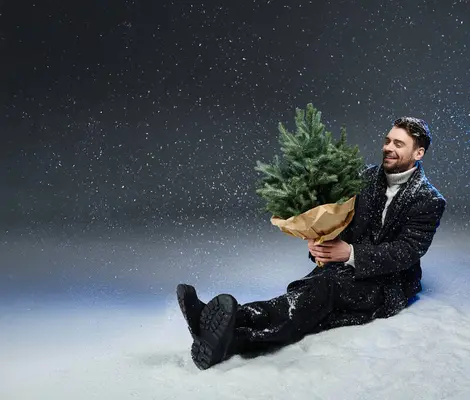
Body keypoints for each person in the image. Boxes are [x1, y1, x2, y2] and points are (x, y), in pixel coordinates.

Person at [176, 116, 447, 370]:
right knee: (305, 299)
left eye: (398, 144)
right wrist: (320, 240)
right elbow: (340, 220)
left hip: (388, 282)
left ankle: (224, 327)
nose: (388, 147)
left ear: (418, 153)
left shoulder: (429, 199)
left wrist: (349, 253)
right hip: (344, 267)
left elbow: (407, 252)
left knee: (320, 293)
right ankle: (227, 333)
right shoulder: (364, 177)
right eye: (387, 141)